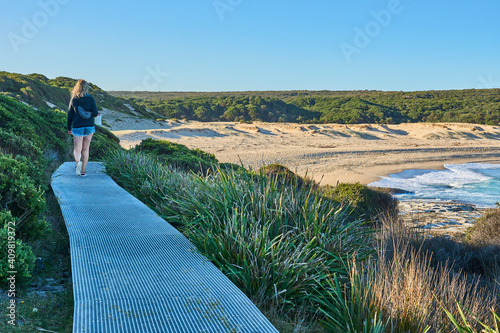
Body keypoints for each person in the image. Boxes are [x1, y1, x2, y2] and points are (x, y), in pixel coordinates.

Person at [67, 79, 99, 177]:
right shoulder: (91, 98)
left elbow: (70, 115)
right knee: (85, 149)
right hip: (89, 126)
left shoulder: (74, 99)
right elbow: (94, 113)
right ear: (86, 88)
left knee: (77, 150)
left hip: (78, 127)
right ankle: (83, 171)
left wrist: (69, 128)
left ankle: (78, 164)